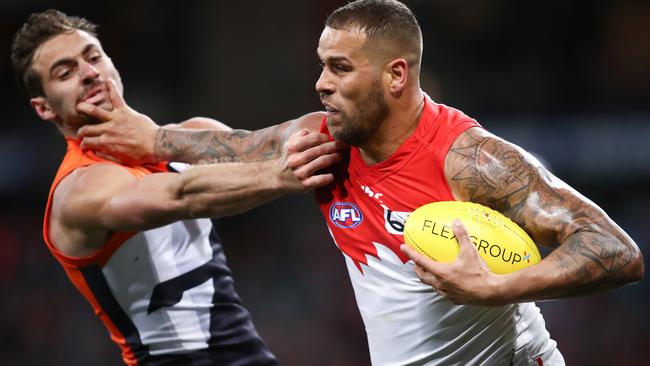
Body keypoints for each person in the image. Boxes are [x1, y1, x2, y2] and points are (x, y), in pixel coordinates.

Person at [75, 1, 644, 365]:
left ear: (397, 74)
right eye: (322, 65)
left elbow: (617, 251)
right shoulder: (325, 142)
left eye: (340, 68)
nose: (321, 84)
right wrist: (150, 139)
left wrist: (498, 288)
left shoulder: (472, 160)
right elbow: (240, 145)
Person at [10, 9, 344, 366]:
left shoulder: (184, 135)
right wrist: (278, 175)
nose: (89, 74)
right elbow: (182, 194)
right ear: (44, 108)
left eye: (93, 57)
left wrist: (344, 123)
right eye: (66, 72)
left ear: (111, 63)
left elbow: (274, 140)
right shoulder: (78, 190)